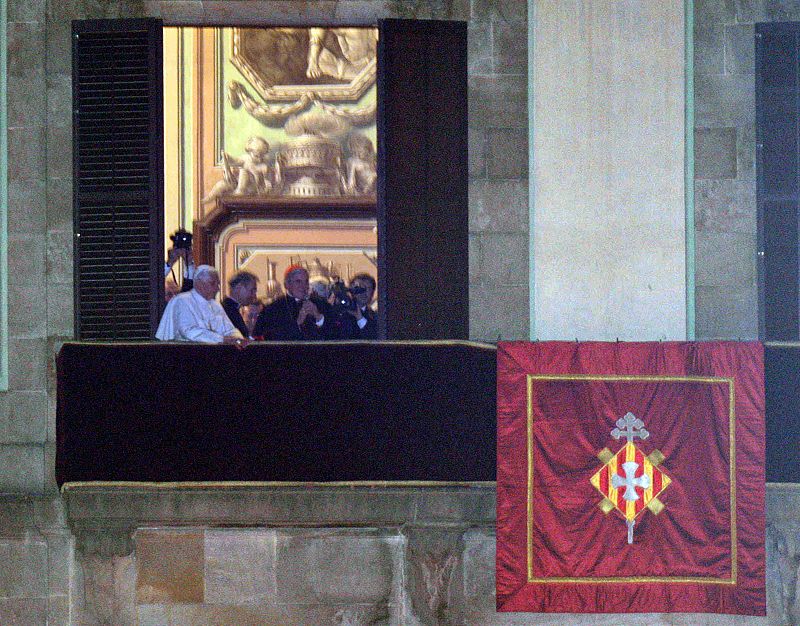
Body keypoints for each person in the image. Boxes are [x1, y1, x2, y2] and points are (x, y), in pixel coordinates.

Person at [155, 265, 246, 346]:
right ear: (199, 284)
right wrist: (221, 339)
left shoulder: (215, 305)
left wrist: (238, 338)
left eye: (218, 284)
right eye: (213, 283)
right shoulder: (182, 301)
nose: (217, 288)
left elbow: (229, 329)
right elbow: (189, 331)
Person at [252, 265, 328, 340]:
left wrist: (319, 317)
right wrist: (297, 323)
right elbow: (268, 338)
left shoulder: (320, 304)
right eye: (298, 282)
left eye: (306, 281)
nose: (303, 286)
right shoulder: (272, 309)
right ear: (286, 285)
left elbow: (334, 333)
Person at [222, 271, 259, 338]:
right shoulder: (227, 311)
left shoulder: (231, 308)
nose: (254, 295)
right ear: (238, 288)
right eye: (252, 290)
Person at [341, 273, 377, 339]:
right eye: (360, 288)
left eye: (368, 288)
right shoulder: (341, 313)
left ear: (372, 293)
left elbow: (373, 338)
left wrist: (360, 318)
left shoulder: (375, 317)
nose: (363, 292)